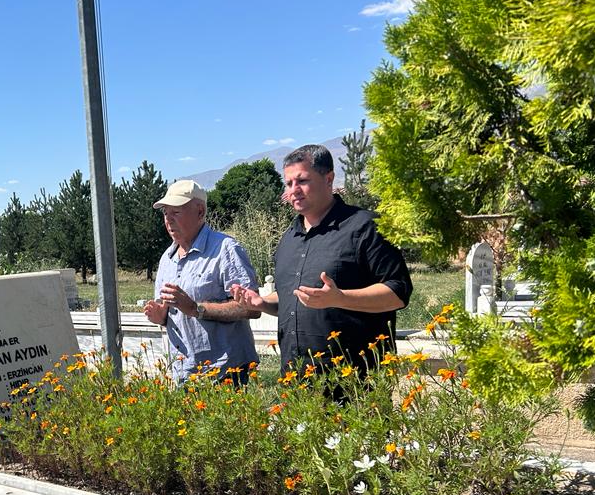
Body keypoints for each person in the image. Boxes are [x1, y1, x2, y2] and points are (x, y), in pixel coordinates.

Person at [231, 145, 412, 373]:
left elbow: (398, 293)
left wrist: (340, 298)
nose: (293, 190)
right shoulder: (289, 237)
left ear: (329, 179)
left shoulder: (366, 227)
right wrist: (262, 303)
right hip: (298, 386)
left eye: (302, 181)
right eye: (288, 184)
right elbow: (295, 298)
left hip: (356, 382)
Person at [143, 179, 259, 384]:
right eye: (165, 213)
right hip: (184, 372)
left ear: (200, 211)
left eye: (176, 212)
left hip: (225, 373)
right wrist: (161, 317)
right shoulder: (167, 259)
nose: (168, 220)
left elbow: (251, 309)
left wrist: (196, 308)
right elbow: (170, 313)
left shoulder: (225, 249)